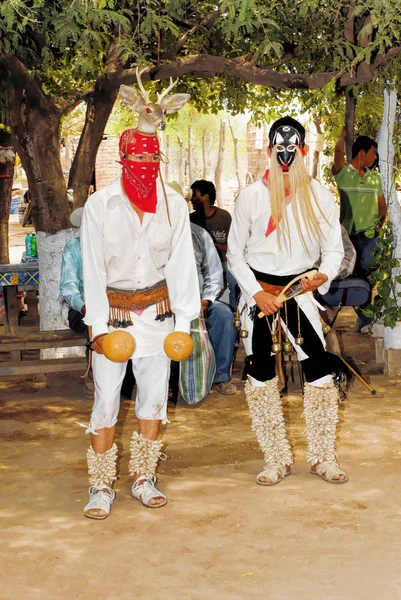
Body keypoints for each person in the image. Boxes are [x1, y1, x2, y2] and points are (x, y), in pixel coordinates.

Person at [80, 127, 200, 519]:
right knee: (107, 398)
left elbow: (183, 265)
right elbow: (92, 270)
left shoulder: (173, 205)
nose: (146, 167)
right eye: (139, 159)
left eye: (153, 160)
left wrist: (183, 321)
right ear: (123, 160)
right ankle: (100, 484)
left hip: (158, 313)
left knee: (153, 398)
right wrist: (96, 327)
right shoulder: (100, 206)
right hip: (113, 316)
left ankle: (143, 478)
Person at [227, 116, 348, 486]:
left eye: (292, 149)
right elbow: (234, 254)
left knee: (321, 371)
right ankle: (275, 458)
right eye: (278, 149)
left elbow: (333, 250)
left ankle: (322, 457)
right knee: (260, 375)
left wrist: (323, 274)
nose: (285, 156)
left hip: (300, 291)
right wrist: (257, 293)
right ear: (268, 150)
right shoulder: (249, 196)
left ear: (305, 151)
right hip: (260, 293)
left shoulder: (319, 195)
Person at [333, 128, 387, 331]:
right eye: (373, 152)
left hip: (371, 234)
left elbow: (383, 207)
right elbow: (338, 158)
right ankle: (366, 320)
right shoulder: (344, 175)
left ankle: (367, 318)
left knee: (369, 271)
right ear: (362, 153)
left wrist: (379, 225)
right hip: (348, 235)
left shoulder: (376, 178)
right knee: (356, 277)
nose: (375, 157)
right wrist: (341, 140)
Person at [191, 222, 237, 395]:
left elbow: (214, 272)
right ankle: (171, 382)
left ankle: (220, 377)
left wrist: (206, 301)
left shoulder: (198, 233)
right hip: (166, 304)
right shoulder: (155, 231)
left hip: (200, 300)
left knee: (224, 316)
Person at [190, 180, 237, 310]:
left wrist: (216, 246)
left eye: (195, 194)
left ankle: (234, 315)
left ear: (206, 196)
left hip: (224, 260)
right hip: (203, 264)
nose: (191, 199)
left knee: (234, 283)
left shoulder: (224, 216)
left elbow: (234, 245)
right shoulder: (191, 220)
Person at [60, 208, 86, 335]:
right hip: (80, 310)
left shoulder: (111, 246)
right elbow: (68, 286)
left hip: (110, 309)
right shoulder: (74, 247)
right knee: (93, 328)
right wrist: (83, 307)